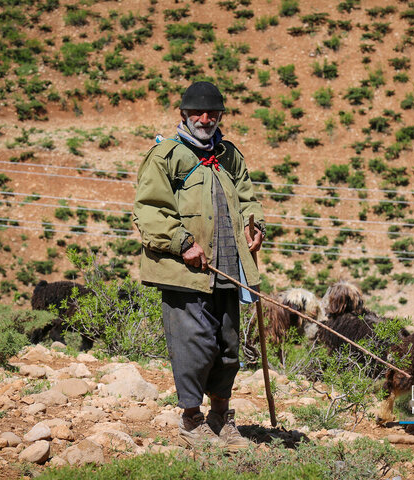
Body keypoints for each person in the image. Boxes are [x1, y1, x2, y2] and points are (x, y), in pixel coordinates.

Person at [133, 81, 265, 450]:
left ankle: (221, 420)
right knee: (194, 346)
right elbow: (149, 211)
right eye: (197, 113)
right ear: (183, 115)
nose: (205, 119)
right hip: (186, 273)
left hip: (228, 270)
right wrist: (182, 243)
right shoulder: (166, 157)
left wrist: (256, 229)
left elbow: (248, 198)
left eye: (213, 113)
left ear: (221, 115)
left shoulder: (229, 155)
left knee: (227, 348)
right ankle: (191, 422)